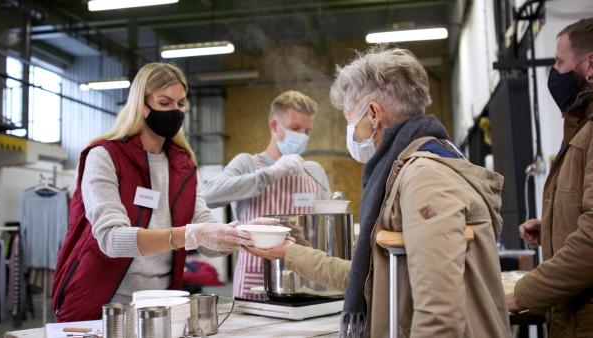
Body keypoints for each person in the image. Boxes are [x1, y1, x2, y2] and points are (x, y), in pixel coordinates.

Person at [245, 46, 511, 337]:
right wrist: (291, 254)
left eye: (350, 122)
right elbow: (374, 277)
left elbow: (439, 312)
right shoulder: (415, 165)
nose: (352, 134)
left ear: (373, 113)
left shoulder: (424, 176)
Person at [51, 62, 266, 322]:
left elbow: (206, 237)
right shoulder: (104, 156)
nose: (175, 111)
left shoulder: (183, 166)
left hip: (160, 308)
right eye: (164, 103)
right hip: (103, 306)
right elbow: (111, 239)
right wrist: (189, 235)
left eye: (181, 104)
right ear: (141, 105)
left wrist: (239, 234)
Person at [506, 18, 593, 337]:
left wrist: (521, 296)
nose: (554, 72)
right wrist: (555, 224)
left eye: (559, 61)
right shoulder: (583, 126)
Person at [203, 90, 331, 299]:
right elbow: (208, 195)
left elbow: (325, 225)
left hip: (304, 274)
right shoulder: (248, 164)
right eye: (295, 128)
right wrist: (270, 173)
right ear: (274, 126)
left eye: (307, 131)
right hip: (256, 277)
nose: (302, 136)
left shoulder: (313, 171)